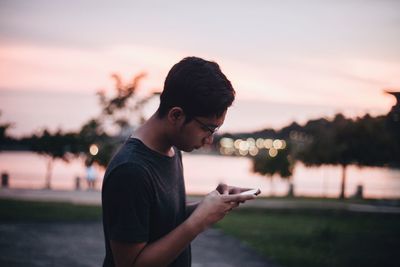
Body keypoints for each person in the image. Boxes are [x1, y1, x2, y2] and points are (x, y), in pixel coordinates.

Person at [102, 56, 259, 267]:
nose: (209, 140)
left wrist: (208, 206)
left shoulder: (173, 149)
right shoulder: (131, 171)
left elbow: (163, 221)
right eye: (207, 128)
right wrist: (198, 222)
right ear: (176, 115)